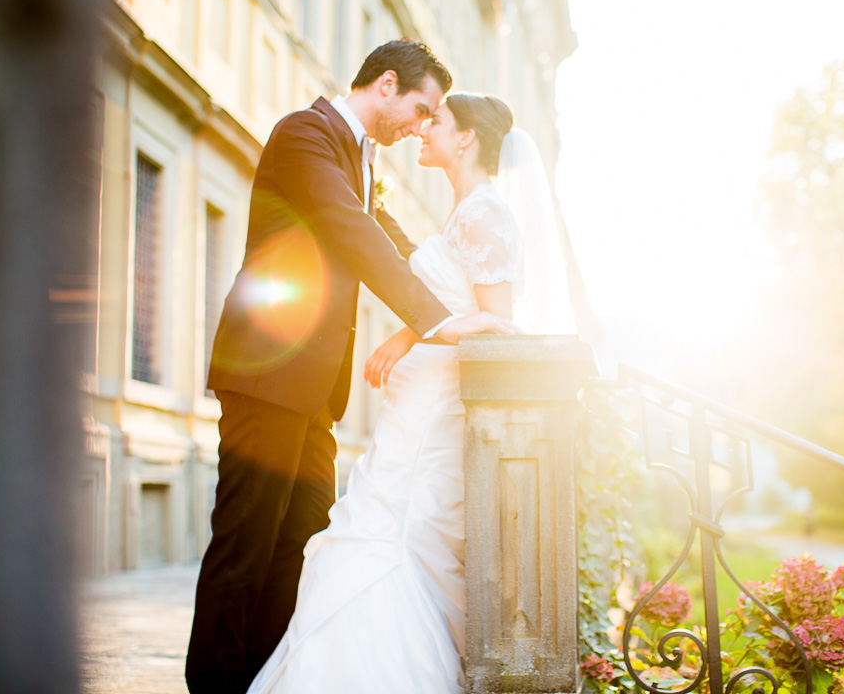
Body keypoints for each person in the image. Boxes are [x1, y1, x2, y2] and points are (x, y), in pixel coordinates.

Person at [186, 41, 518, 694]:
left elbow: (397, 243)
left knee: (300, 545)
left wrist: (458, 283)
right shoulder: (305, 134)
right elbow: (348, 228)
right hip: (267, 375)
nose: (421, 125)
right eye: (419, 109)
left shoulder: (363, 162)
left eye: (433, 119)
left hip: (313, 393)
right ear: (386, 85)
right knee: (245, 546)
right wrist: (438, 322)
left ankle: (268, 681)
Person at [243, 94, 572, 694]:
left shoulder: (484, 216)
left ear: (466, 138)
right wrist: (406, 335)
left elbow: (497, 325)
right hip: (413, 405)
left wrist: (422, 339)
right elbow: (457, 306)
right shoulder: (464, 212)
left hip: (432, 415)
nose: (424, 130)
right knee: (377, 528)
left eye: (437, 122)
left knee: (391, 534)